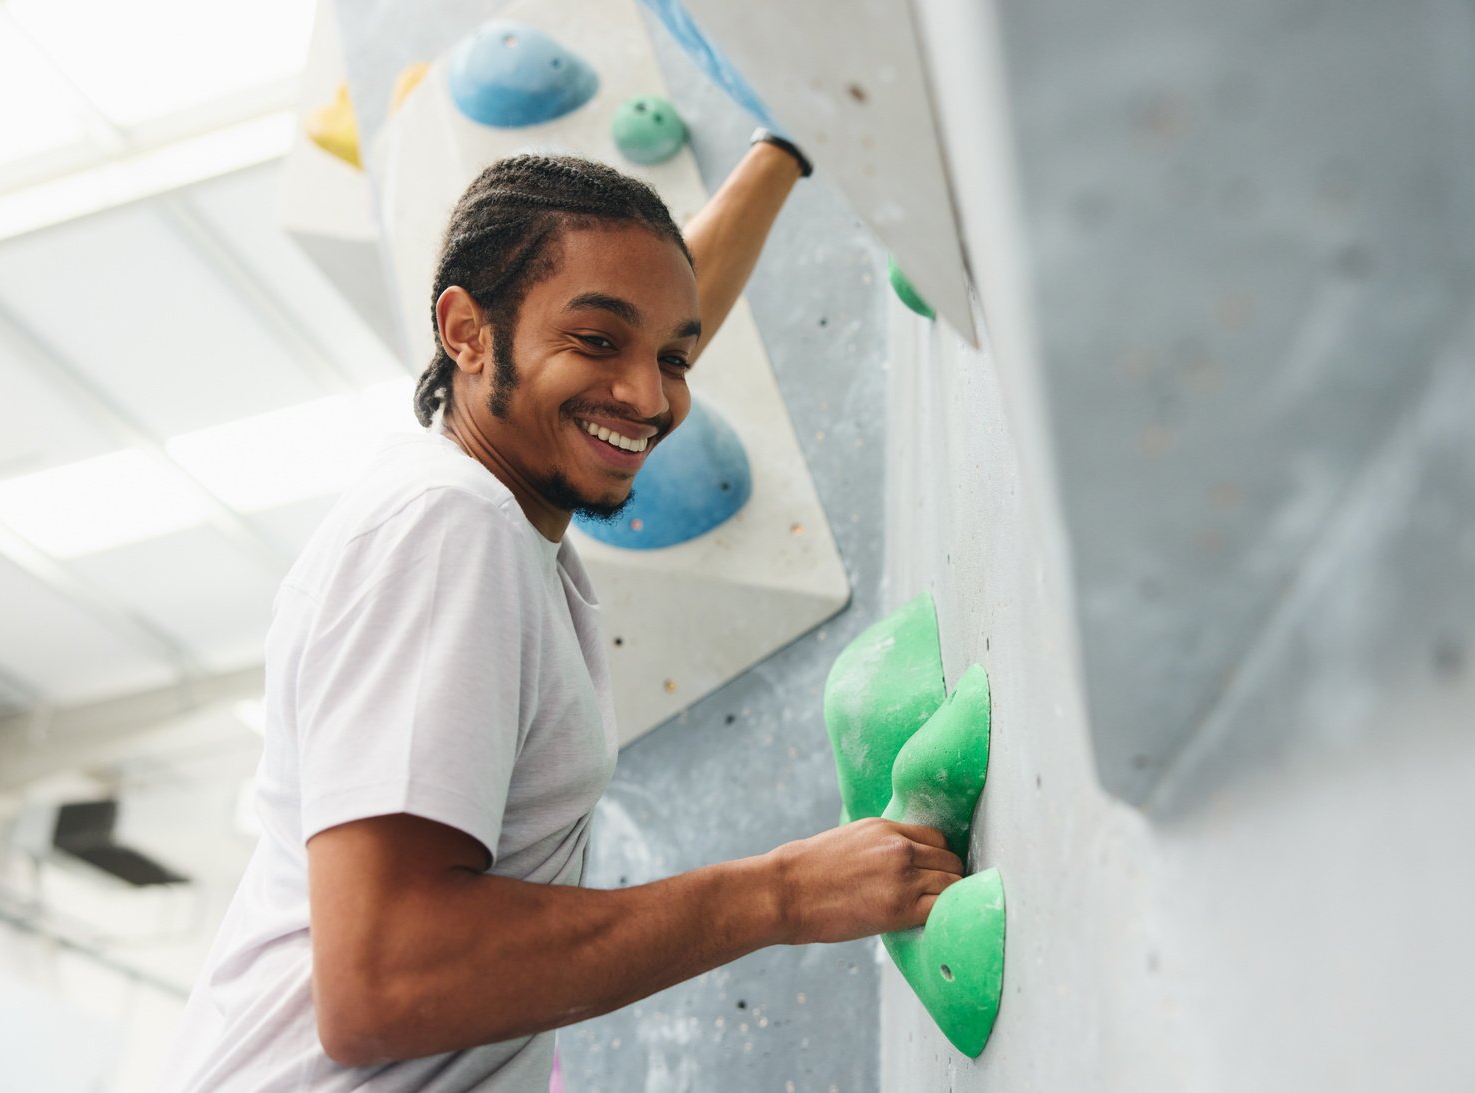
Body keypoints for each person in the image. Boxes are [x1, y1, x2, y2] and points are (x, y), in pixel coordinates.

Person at [161, 136, 963, 1092]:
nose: (649, 395)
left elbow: (641, 323)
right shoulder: (448, 527)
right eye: (595, 342)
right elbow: (385, 981)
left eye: (675, 357)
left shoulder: (485, 516)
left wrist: (786, 148)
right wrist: (781, 893)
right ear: (464, 331)